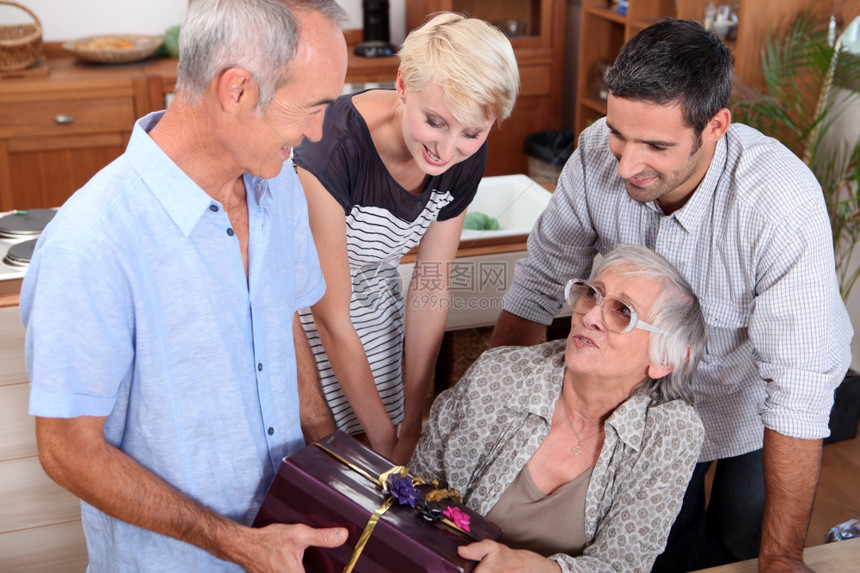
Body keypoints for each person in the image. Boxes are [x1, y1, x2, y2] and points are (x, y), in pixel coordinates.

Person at [490, 18, 853, 573]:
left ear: (716, 127)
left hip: (749, 403)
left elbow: (799, 388)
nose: (627, 165)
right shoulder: (593, 153)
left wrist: (782, 556)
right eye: (618, 132)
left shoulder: (779, 201)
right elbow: (540, 283)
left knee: (745, 540)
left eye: (656, 145)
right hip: (639, 401)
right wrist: (493, 401)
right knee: (660, 549)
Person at [20, 0, 351, 570]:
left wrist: (330, 450)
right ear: (238, 90)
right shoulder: (91, 243)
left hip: (286, 544)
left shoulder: (280, 186)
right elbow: (68, 451)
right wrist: (239, 544)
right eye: (312, 107)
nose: (317, 132)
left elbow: (282, 317)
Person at [293, 12, 520, 464]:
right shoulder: (331, 151)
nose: (447, 148)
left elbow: (431, 287)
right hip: (303, 316)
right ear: (402, 84)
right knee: (330, 461)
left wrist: (413, 420)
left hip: (379, 307)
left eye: (471, 132)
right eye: (434, 121)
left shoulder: (462, 152)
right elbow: (330, 317)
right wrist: (383, 440)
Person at [410, 244, 706, 572]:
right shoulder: (498, 375)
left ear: (666, 360)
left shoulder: (670, 433)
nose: (590, 316)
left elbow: (622, 565)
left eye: (623, 311)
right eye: (592, 295)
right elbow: (415, 496)